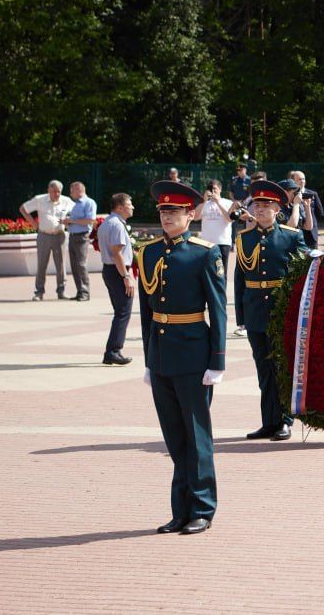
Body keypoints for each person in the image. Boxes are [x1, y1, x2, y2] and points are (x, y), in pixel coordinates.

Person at [137, 179, 226, 535]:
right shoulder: (149, 253)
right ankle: (180, 509)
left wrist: (217, 361)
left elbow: (218, 311)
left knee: (196, 436)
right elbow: (146, 312)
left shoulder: (205, 253)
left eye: (174, 211)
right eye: (163, 211)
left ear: (191, 214)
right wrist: (148, 358)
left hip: (193, 355)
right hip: (162, 357)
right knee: (174, 437)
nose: (167, 217)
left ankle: (202, 508)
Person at [234, 179, 306, 441]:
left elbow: (304, 269)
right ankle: (269, 421)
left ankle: (285, 420)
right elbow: (240, 279)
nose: (261, 209)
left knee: (281, 366)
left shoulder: (290, 236)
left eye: (267, 205)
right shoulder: (244, 239)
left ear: (278, 209)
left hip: (281, 309)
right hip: (254, 310)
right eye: (257, 204)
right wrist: (241, 317)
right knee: (263, 369)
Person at [97, 193, 136, 366]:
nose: (132, 206)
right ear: (119, 207)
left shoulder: (108, 222)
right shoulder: (117, 225)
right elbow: (117, 252)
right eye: (129, 204)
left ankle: (112, 351)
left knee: (120, 312)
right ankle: (113, 351)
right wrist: (126, 276)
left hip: (110, 270)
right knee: (123, 312)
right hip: (118, 271)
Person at [20, 180, 73, 301]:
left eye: (59, 191)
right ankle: (39, 292)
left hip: (60, 235)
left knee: (61, 265)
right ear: (48, 190)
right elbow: (23, 208)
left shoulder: (66, 201)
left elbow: (76, 213)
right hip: (44, 235)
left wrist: (69, 220)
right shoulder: (40, 199)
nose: (57, 194)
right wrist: (33, 224)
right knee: (42, 264)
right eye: (54, 191)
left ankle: (62, 291)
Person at [64, 181, 97, 301]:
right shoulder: (74, 204)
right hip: (72, 236)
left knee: (81, 265)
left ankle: (85, 292)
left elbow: (90, 220)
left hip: (82, 236)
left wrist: (72, 221)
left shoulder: (89, 202)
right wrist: (66, 222)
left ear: (79, 190)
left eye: (72, 190)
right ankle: (79, 292)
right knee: (74, 266)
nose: (70, 193)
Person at [194, 180, 236, 274]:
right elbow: (195, 217)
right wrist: (204, 201)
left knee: (221, 272)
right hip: (206, 243)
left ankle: (222, 289)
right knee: (207, 272)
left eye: (215, 189)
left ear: (220, 189)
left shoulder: (227, 202)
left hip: (223, 242)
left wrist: (218, 202)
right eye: (210, 189)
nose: (212, 191)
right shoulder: (204, 204)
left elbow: (230, 219)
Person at [290, 170, 324, 248]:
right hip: (297, 232)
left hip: (311, 234)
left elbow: (320, 213)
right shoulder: (290, 196)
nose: (302, 181)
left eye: (303, 179)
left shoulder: (313, 194)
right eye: (299, 179)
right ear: (293, 181)